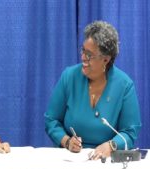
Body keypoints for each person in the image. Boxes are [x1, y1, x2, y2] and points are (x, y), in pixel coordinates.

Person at [44, 21, 141, 160]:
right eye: (83, 50)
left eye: (89, 55)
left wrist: (111, 145)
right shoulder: (69, 77)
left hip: (107, 161)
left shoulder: (124, 85)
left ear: (106, 60)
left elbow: (130, 132)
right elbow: (51, 120)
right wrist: (67, 141)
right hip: (70, 159)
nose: (83, 57)